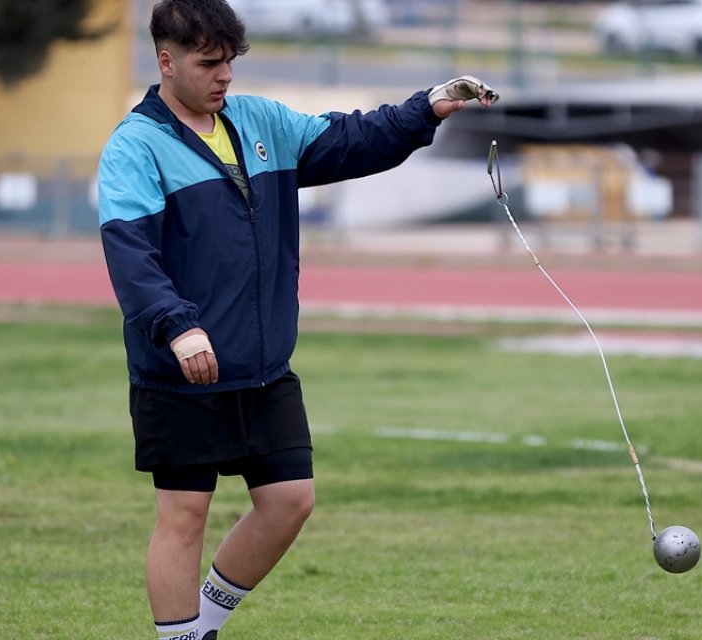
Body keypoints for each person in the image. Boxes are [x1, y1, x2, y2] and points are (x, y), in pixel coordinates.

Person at [96, 1, 496, 638]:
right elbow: (131, 256)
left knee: (289, 500)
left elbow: (348, 139)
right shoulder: (134, 147)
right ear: (166, 62)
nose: (225, 75)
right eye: (209, 63)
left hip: (262, 366)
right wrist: (177, 325)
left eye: (230, 61)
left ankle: (202, 624)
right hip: (183, 371)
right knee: (184, 517)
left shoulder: (261, 122)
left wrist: (425, 108)